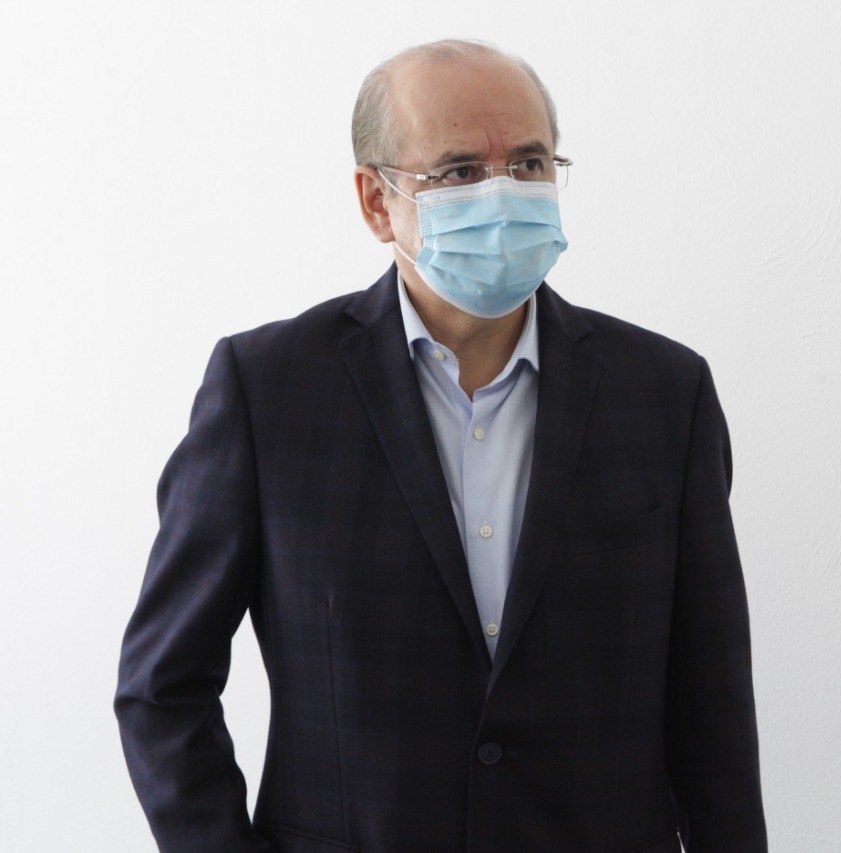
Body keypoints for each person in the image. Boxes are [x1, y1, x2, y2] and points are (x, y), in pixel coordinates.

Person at [115, 39, 766, 852]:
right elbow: (162, 687)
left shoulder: (665, 393)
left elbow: (713, 706)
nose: (503, 192)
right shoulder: (268, 389)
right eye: (458, 171)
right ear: (376, 202)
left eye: (528, 162)